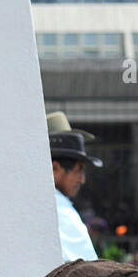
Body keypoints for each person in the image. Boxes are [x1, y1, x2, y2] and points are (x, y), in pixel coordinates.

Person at [47, 111, 99, 263]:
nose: (82, 180)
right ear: (54, 168)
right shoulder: (58, 207)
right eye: (78, 171)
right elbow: (88, 268)